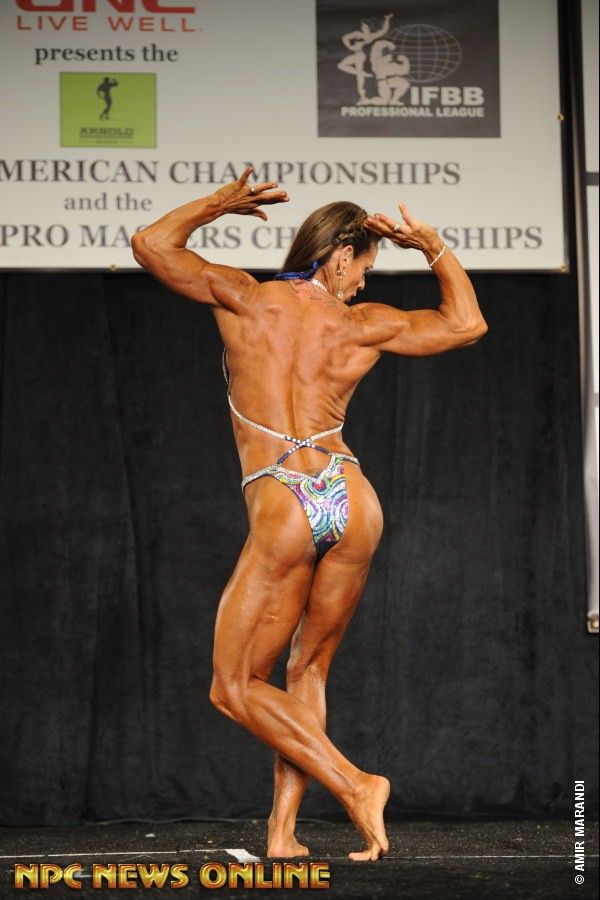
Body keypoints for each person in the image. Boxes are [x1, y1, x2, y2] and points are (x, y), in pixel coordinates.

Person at [131, 167, 487, 861]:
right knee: (308, 671)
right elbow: (466, 324)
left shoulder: (244, 297)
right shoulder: (361, 324)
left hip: (285, 498)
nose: (362, 282)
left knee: (234, 687)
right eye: (364, 268)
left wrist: (218, 204)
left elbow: (150, 243)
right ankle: (283, 833)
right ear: (341, 255)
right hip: (352, 499)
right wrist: (433, 247)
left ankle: (356, 785)